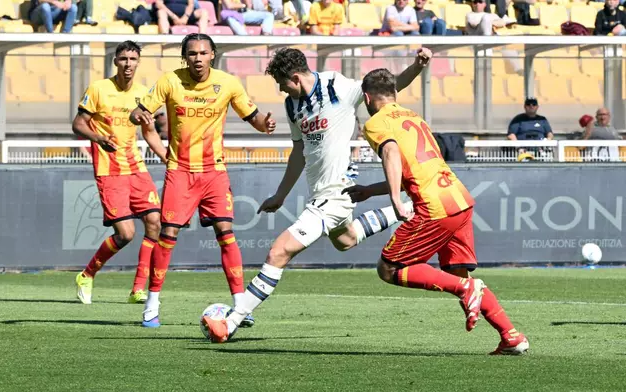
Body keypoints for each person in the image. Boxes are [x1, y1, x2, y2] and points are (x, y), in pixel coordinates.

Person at [202, 47, 434, 343]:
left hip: (335, 194)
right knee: (346, 239)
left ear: (295, 77)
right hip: (322, 194)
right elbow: (299, 152)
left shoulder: (337, 86)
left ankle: (230, 323)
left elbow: (389, 87)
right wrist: (280, 195)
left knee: (278, 252)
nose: (280, 88)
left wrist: (417, 65)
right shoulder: (292, 106)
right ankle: (411, 208)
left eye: (282, 82)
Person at [351, 68, 528, 355]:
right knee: (458, 274)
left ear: (367, 98)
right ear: (395, 95)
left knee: (390, 268)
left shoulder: (375, 123)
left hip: (433, 207)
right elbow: (415, 169)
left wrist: (396, 200)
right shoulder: (413, 117)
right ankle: (511, 336)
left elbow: (391, 154)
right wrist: (372, 190)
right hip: (458, 198)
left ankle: (467, 291)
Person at [129, 33, 276, 328]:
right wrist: (137, 116)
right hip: (180, 171)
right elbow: (141, 111)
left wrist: (266, 125)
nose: (198, 58)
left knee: (226, 232)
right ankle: (151, 304)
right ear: (185, 57)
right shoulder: (170, 81)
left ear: (213, 55)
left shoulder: (229, 83)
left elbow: (254, 117)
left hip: (214, 172)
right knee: (167, 235)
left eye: (203, 53)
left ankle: (240, 306)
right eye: (192, 53)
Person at [72, 41, 168, 305]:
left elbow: (149, 132)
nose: (128, 64)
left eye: (133, 59)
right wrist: (99, 138)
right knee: (125, 234)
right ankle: (87, 274)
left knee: (155, 223)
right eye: (123, 59)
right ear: (115, 61)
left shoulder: (143, 94)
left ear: (138, 62)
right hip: (109, 170)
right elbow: (78, 123)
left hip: (136, 168)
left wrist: (167, 158)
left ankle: (138, 289)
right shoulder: (99, 88)